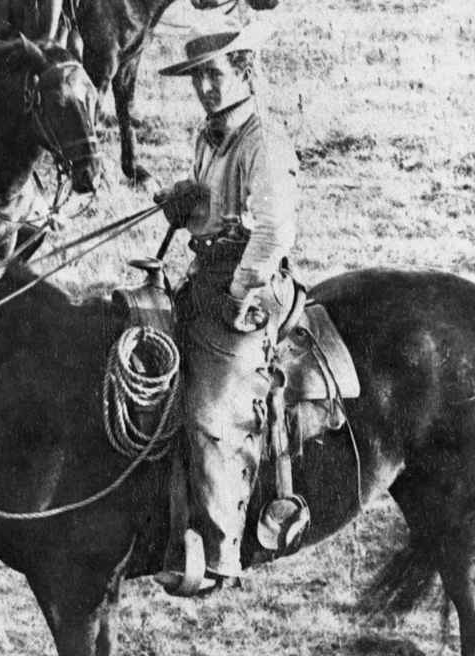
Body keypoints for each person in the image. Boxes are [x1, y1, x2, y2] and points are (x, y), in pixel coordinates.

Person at [156, 26, 304, 582]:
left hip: (252, 285)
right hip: (208, 276)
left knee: (208, 414)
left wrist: (243, 292)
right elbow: (215, 210)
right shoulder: (211, 136)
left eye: (214, 74)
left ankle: (222, 555)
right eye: (197, 76)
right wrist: (185, 202)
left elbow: (272, 231)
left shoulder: (262, 140)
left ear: (244, 72)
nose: (204, 87)